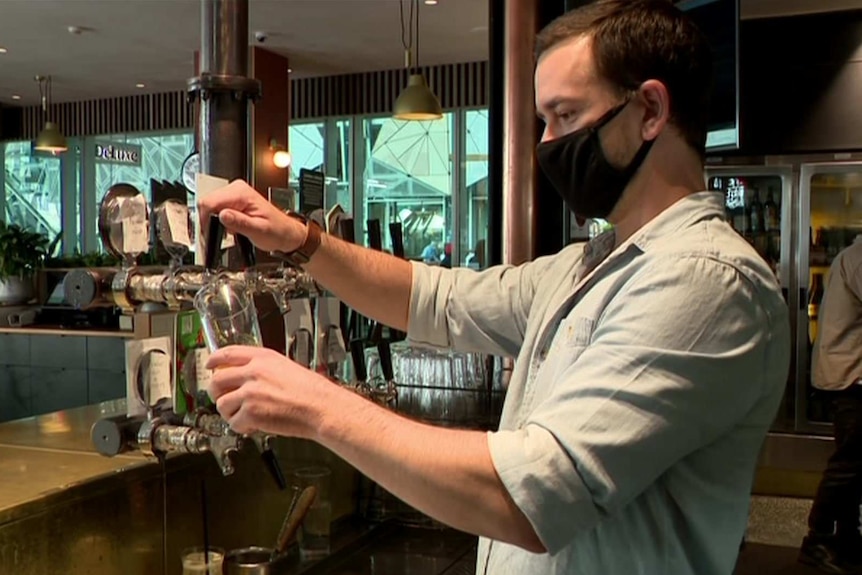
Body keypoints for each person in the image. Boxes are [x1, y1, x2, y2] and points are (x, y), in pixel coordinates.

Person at [198, 1, 790, 573]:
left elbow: (533, 495)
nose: (547, 144)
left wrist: (315, 405)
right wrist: (300, 240)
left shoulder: (703, 281)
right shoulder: (588, 265)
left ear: (651, 110)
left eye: (566, 115)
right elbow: (433, 298)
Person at [799, 237, 862, 575]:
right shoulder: (860, 257)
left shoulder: (851, 256)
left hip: (848, 374)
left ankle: (848, 538)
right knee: (848, 464)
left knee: (854, 465)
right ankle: (818, 538)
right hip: (850, 377)